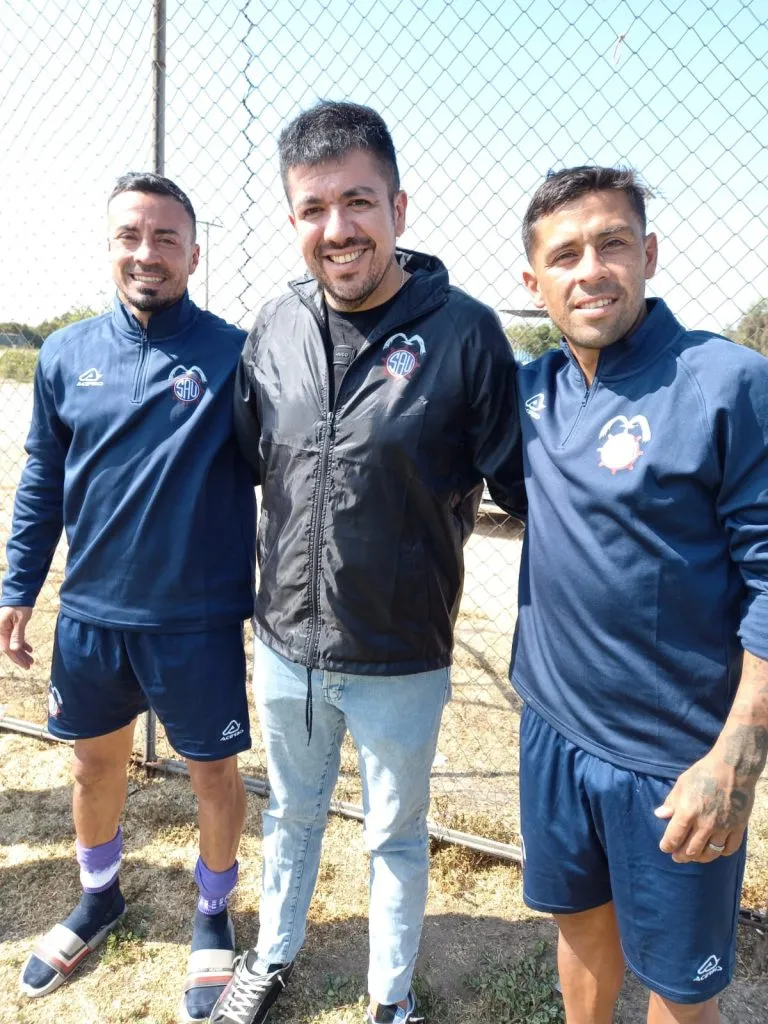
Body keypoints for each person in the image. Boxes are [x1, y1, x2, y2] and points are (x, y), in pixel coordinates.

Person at [208, 100, 526, 1024]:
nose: (337, 229)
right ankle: (268, 959)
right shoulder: (273, 326)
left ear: (398, 207)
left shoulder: (466, 335)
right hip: (285, 648)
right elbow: (243, 464)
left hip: (401, 653)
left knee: (392, 834)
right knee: (293, 814)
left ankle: (390, 998)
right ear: (295, 219)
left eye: (358, 202)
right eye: (313, 209)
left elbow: (527, 489)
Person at [512, 165, 768, 1024]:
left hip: (674, 756)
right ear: (534, 281)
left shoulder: (725, 382)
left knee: (678, 984)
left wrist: (737, 753)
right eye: (566, 254)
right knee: (580, 927)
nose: (591, 270)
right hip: (553, 725)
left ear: (649, 253)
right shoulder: (531, 393)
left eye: (612, 244)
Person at [0, 172, 256, 1023]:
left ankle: (214, 914)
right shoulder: (66, 353)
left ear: (193, 250)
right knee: (89, 764)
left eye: (165, 239)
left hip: (198, 621)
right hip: (94, 618)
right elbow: (42, 477)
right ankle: (99, 896)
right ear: (111, 245)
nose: (147, 254)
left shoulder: (235, 355)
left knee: (213, 774)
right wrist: (19, 587)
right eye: (130, 237)